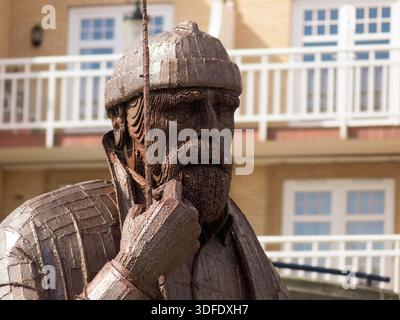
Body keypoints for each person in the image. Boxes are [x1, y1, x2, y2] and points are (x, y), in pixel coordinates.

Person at [0, 21, 288, 300]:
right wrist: (132, 271)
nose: (210, 128)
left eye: (225, 109)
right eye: (182, 107)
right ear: (120, 122)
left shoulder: (250, 254)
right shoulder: (34, 237)